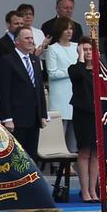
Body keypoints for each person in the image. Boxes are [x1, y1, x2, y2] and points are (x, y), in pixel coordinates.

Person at [0, 27, 47, 159]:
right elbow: (4, 91)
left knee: (31, 156)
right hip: (17, 118)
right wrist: (7, 118)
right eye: (27, 38)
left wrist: (42, 114)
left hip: (34, 118)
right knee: (18, 156)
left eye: (31, 38)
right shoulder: (7, 60)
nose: (31, 41)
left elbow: (39, 89)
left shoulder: (35, 60)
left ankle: (31, 180)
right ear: (16, 41)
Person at [69, 38, 98, 203]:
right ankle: (84, 190)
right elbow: (79, 76)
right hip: (82, 115)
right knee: (85, 151)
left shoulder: (100, 70)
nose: (87, 52)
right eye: (84, 49)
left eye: (90, 49)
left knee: (96, 153)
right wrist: (80, 57)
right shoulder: (75, 68)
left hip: (96, 114)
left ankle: (93, 190)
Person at [43, 18, 80, 150]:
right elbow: (52, 73)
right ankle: (58, 164)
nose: (69, 31)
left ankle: (71, 163)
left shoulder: (77, 47)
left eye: (71, 28)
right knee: (60, 131)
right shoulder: (52, 49)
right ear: (59, 30)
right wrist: (72, 70)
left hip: (75, 92)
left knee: (74, 132)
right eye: (66, 28)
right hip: (60, 96)